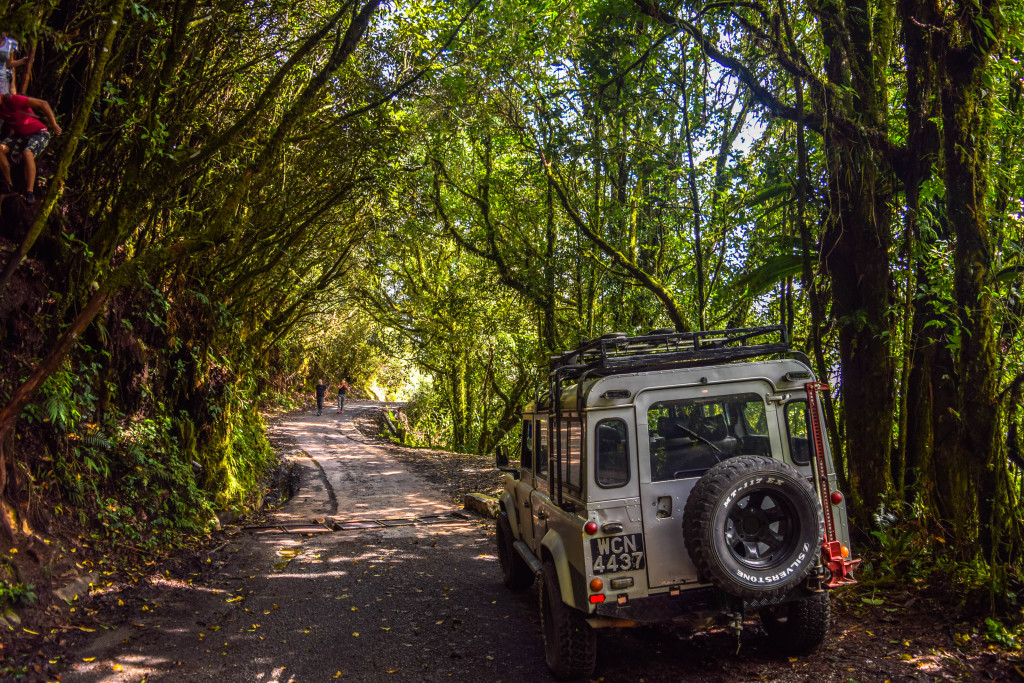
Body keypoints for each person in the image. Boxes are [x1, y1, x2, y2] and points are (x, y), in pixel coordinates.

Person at [0, 92, 61, 204]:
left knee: (27, 153)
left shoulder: (13, 100)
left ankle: (30, 192)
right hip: (21, 136)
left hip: (39, 133)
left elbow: (43, 104)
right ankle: (9, 185)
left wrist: (54, 124)